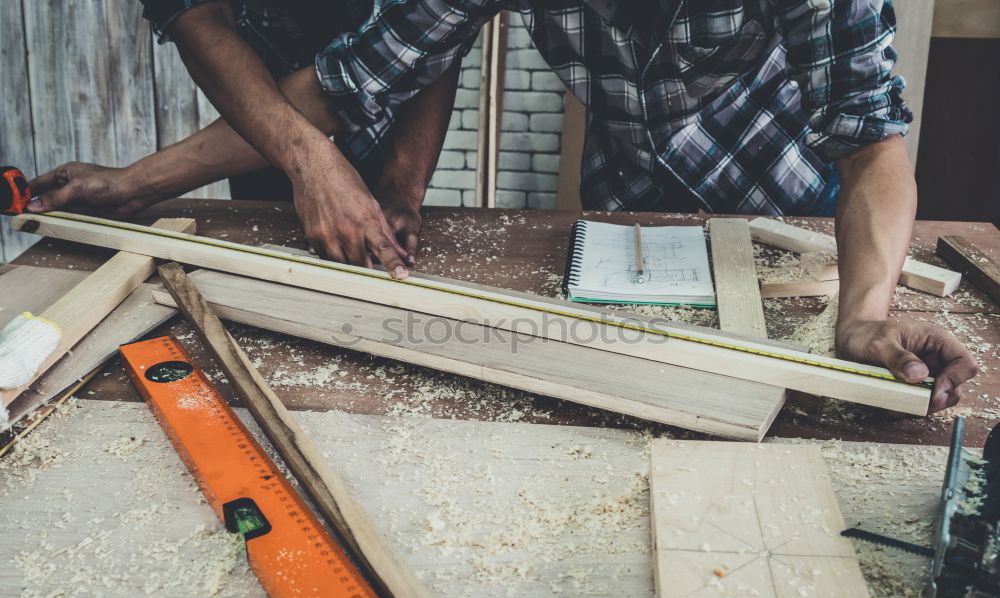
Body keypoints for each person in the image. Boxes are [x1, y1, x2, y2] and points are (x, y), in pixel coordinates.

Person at [30, 1, 977, 412]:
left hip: (795, 219)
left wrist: (863, 315)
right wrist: (138, 184)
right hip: (628, 218)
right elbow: (351, 82)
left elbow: (872, 145)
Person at [28, 0, 469, 274]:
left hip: (387, 124)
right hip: (261, 122)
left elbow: (431, 42)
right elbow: (195, 19)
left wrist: (403, 186)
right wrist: (135, 182)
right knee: (269, 242)